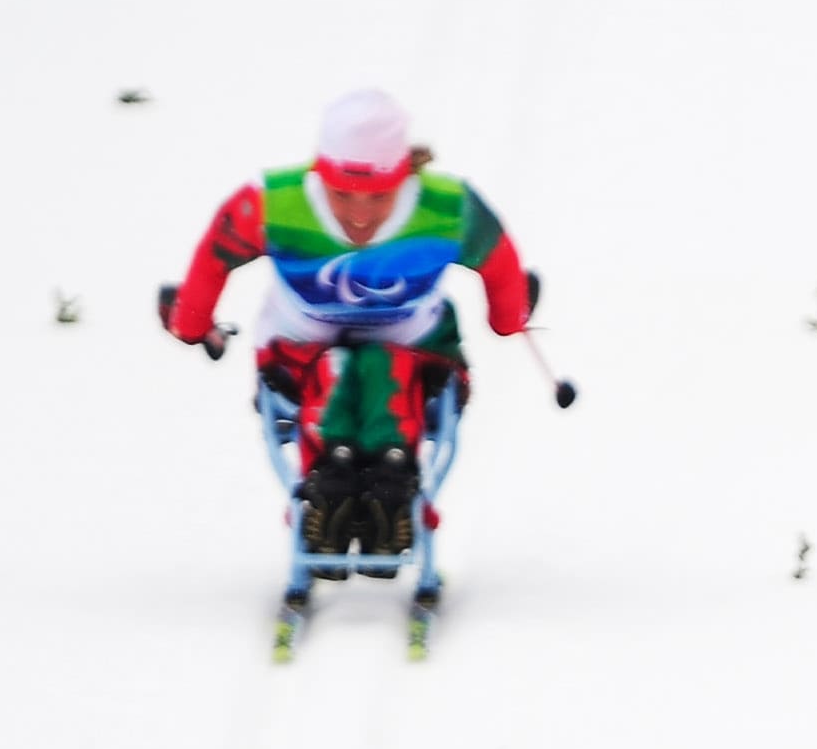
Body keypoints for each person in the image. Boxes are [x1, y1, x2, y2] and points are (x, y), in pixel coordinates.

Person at [161, 88, 537, 558]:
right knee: (337, 369)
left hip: (414, 346)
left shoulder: (447, 207)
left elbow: (499, 264)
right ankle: (335, 486)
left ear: (406, 175)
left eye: (379, 198)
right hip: (302, 346)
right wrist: (192, 321)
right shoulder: (274, 204)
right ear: (319, 175)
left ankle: (386, 482)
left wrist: (508, 316)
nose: (360, 216)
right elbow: (216, 255)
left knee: (387, 369)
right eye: (342, 195)